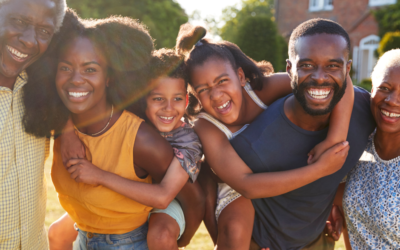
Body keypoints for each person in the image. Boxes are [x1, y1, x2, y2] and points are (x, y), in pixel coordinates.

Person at [175, 23, 354, 250]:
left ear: (240, 76)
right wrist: (320, 169)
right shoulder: (206, 125)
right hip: (238, 186)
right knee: (235, 230)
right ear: (195, 95)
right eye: (203, 89)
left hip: (283, 166)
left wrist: (332, 141)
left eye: (222, 81)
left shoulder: (262, 89)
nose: (217, 95)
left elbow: (342, 81)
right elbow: (246, 185)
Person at [227, 18, 376, 249]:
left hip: (319, 241)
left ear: (347, 69)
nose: (319, 77)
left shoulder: (366, 110)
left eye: (333, 66)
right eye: (306, 65)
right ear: (289, 69)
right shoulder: (253, 144)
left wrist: (339, 205)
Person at [48, 48, 204, 250]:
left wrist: (98, 175)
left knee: (161, 235)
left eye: (177, 99)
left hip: (169, 196)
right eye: (158, 99)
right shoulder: (134, 115)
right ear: (144, 98)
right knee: (57, 232)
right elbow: (72, 99)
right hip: (130, 197)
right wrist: (67, 131)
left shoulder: (187, 143)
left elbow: (165, 197)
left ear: (186, 100)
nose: (168, 108)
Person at [0, 0, 66, 248]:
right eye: (18, 21)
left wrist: (66, 131)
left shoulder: (42, 92)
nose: (29, 40)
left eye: (44, 31)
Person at [343, 49, 400, 249]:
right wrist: (334, 206)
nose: (392, 100)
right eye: (385, 88)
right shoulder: (359, 142)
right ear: (372, 88)